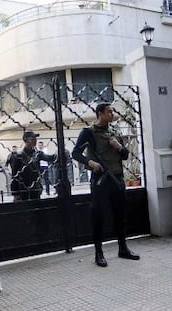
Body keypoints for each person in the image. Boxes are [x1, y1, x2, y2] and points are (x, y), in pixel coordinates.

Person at [72, 102, 140, 267]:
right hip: (100, 179)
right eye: (109, 112)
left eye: (112, 111)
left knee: (120, 215)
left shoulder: (115, 131)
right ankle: (98, 253)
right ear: (100, 114)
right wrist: (90, 163)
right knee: (98, 216)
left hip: (117, 178)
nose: (112, 114)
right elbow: (75, 153)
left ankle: (123, 249)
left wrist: (118, 147)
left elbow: (125, 156)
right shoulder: (88, 132)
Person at [11, 130, 55, 201]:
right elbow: (14, 175)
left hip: (35, 187)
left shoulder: (37, 154)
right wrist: (15, 193)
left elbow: (50, 158)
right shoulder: (18, 156)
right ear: (26, 140)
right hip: (23, 189)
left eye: (35, 138)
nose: (35, 140)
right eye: (32, 139)